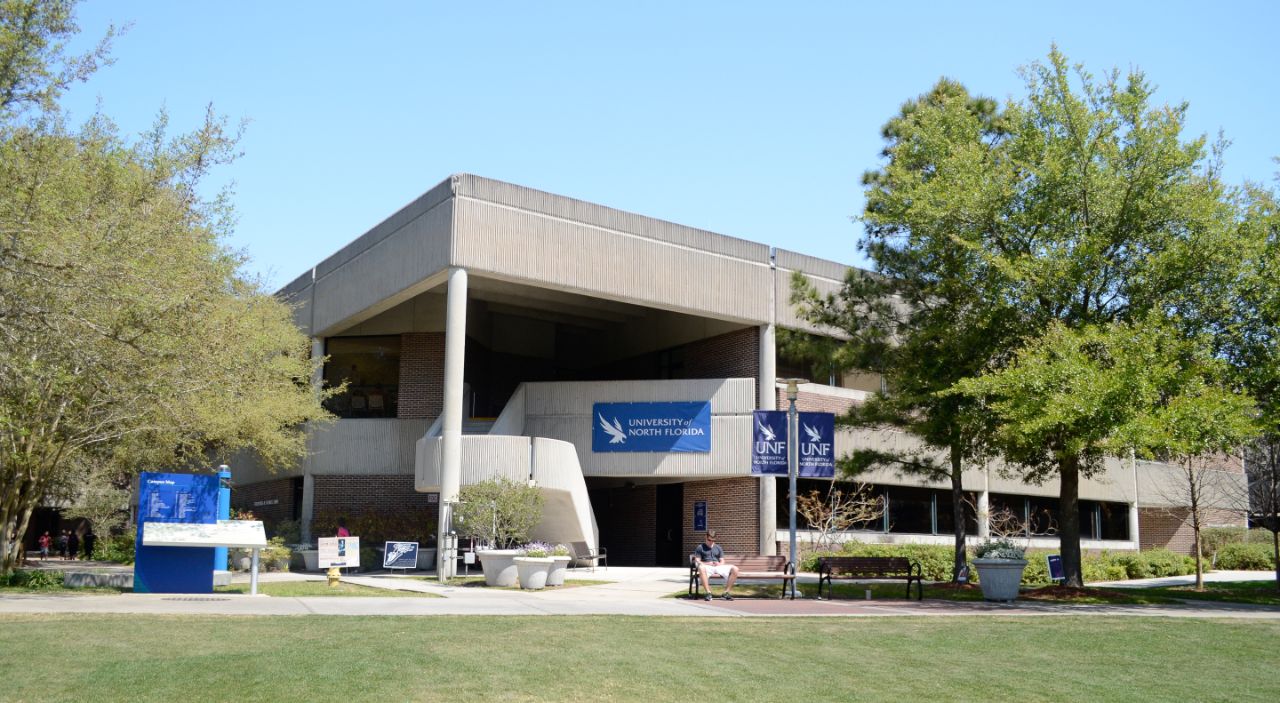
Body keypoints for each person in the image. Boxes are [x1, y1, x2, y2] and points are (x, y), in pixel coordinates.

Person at [692, 529, 738, 601]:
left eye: (713, 540)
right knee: (701, 568)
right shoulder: (700, 547)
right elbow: (697, 560)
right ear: (706, 537)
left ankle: (726, 593)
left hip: (718, 566)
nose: (711, 542)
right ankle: (708, 593)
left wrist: (719, 563)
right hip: (707, 566)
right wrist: (707, 563)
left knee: (735, 569)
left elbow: (722, 560)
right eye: (709, 540)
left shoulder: (718, 547)